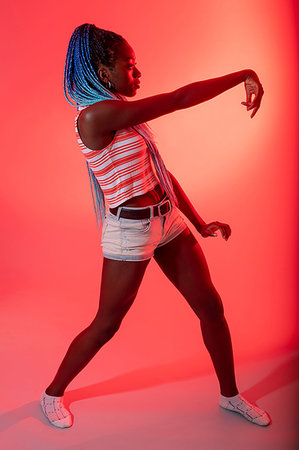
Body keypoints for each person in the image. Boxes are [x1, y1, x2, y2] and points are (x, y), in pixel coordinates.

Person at [40, 23, 270, 429]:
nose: (138, 73)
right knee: (107, 324)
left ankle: (230, 396)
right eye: (130, 65)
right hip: (130, 233)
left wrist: (198, 223)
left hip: (168, 221)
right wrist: (244, 74)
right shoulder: (96, 116)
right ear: (102, 70)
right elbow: (180, 98)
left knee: (211, 308)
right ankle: (51, 393)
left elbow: (159, 173)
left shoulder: (124, 115)